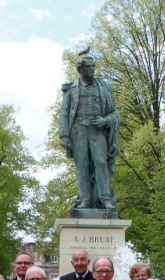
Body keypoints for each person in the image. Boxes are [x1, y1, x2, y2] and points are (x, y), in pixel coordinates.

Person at [59, 54, 119, 210]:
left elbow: (115, 113)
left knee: (101, 163)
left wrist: (105, 121)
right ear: (80, 69)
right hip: (78, 130)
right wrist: (64, 135)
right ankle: (85, 199)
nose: (92, 69)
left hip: (97, 130)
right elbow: (64, 113)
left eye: (93, 66)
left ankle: (105, 199)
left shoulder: (104, 88)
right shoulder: (71, 89)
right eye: (88, 66)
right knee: (82, 165)